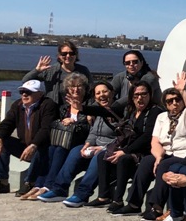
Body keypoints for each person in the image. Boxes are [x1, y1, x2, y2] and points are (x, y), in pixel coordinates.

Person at [117, 72, 186, 217]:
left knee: (164, 165)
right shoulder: (162, 117)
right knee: (147, 162)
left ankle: (156, 207)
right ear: (165, 104)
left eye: (177, 99)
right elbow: (155, 141)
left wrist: (182, 91)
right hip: (166, 153)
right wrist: (158, 157)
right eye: (170, 101)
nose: (174, 103)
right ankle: (133, 203)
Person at [0, 79, 59, 196]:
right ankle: (2, 182)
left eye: (28, 92)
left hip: (43, 149)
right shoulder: (17, 105)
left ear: (40, 94)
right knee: (3, 142)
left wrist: (33, 145)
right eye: (22, 91)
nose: (24, 94)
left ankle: (30, 182)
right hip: (25, 146)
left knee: (40, 147)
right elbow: (7, 124)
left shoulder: (48, 105)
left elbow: (46, 129)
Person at [60, 80, 124, 208]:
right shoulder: (98, 111)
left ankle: (82, 194)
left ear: (112, 93)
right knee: (76, 151)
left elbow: (123, 137)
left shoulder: (119, 110)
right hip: (96, 146)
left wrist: (103, 147)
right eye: (98, 93)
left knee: (99, 156)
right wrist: (87, 144)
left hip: (113, 149)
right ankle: (59, 189)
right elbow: (94, 132)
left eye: (105, 92)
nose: (102, 95)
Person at [31, 72, 93, 201]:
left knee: (60, 149)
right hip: (65, 140)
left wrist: (75, 122)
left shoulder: (91, 106)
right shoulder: (64, 108)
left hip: (81, 142)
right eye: (72, 86)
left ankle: (49, 186)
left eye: (79, 86)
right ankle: (39, 184)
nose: (75, 89)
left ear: (85, 88)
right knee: (50, 148)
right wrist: (62, 121)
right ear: (67, 89)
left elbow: (91, 129)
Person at [100, 82, 161, 211]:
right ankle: (104, 196)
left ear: (150, 95)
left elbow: (147, 137)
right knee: (102, 156)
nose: (140, 98)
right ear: (132, 97)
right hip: (129, 147)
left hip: (145, 151)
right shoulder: (131, 111)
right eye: (136, 95)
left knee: (124, 159)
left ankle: (118, 200)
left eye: (144, 94)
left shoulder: (155, 112)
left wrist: (124, 151)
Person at [24, 41, 92, 105]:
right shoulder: (51, 70)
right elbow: (25, 81)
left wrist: (88, 109)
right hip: (53, 109)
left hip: (77, 109)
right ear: (59, 55)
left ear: (76, 55)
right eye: (64, 54)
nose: (68, 56)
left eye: (71, 53)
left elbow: (91, 91)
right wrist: (37, 70)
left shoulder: (83, 71)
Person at [109, 49, 162, 114]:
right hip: (128, 114)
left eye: (135, 62)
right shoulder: (120, 77)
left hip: (150, 113)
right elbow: (109, 93)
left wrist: (113, 107)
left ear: (141, 63)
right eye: (127, 63)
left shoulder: (150, 78)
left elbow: (132, 96)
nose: (131, 64)